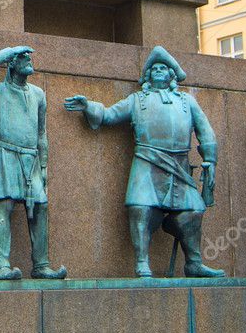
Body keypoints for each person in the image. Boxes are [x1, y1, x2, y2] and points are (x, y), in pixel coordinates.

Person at [65, 46, 224, 278]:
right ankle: (142, 262)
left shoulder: (186, 101)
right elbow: (110, 115)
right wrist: (89, 106)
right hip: (147, 161)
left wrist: (210, 158)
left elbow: (205, 130)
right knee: (140, 209)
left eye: (163, 68)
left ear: (171, 75)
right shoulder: (137, 99)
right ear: (148, 76)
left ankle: (193, 262)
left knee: (195, 210)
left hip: (179, 164)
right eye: (154, 68)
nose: (158, 71)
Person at [0, 45, 67, 280]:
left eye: (28, 57)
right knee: (4, 205)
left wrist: (45, 166)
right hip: (5, 154)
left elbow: (42, 134)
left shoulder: (38, 94)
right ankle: (0, 265)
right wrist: (10, 50)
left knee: (40, 207)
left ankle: (41, 265)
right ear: (11, 63)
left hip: (32, 159)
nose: (28, 60)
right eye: (22, 58)